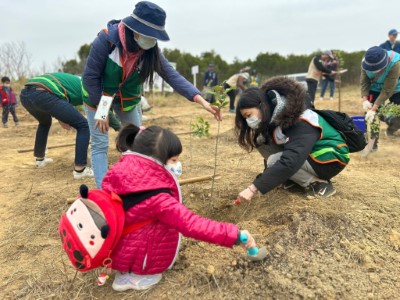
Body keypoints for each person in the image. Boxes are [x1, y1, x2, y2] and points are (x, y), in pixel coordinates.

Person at [101, 124, 258, 291]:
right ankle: (137, 275)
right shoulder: (157, 197)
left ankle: (126, 269)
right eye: (174, 160)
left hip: (119, 252)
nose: (178, 164)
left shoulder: (119, 173)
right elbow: (191, 224)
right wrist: (235, 235)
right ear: (155, 159)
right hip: (142, 260)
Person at [82, 1, 221, 188]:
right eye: (149, 35)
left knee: (137, 142)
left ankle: (134, 185)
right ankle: (104, 194)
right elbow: (90, 77)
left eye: (155, 36)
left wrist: (200, 99)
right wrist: (102, 109)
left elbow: (172, 75)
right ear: (135, 30)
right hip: (98, 95)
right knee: (100, 143)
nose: (152, 40)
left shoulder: (149, 51)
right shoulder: (106, 40)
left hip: (128, 98)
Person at [234, 76, 349, 201]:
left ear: (262, 106)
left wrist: (254, 188)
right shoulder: (275, 116)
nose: (248, 120)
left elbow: (291, 160)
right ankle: (293, 179)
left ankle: (318, 184)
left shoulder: (298, 118)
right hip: (310, 153)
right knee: (262, 142)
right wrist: (273, 176)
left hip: (331, 156)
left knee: (274, 161)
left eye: (248, 115)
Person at [20, 73, 94, 179]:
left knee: (44, 123)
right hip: (43, 93)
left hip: (26, 94)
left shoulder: (76, 81)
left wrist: (61, 118)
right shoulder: (90, 87)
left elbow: (61, 98)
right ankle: (80, 170)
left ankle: (40, 160)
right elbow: (100, 112)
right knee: (83, 125)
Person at [361, 46, 400, 147]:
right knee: (371, 118)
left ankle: (392, 127)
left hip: (396, 88)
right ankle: (372, 144)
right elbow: (364, 82)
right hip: (375, 87)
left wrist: (373, 109)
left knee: (398, 112)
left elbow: (387, 89)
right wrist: (365, 100)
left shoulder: (395, 63)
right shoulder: (365, 62)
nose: (374, 71)